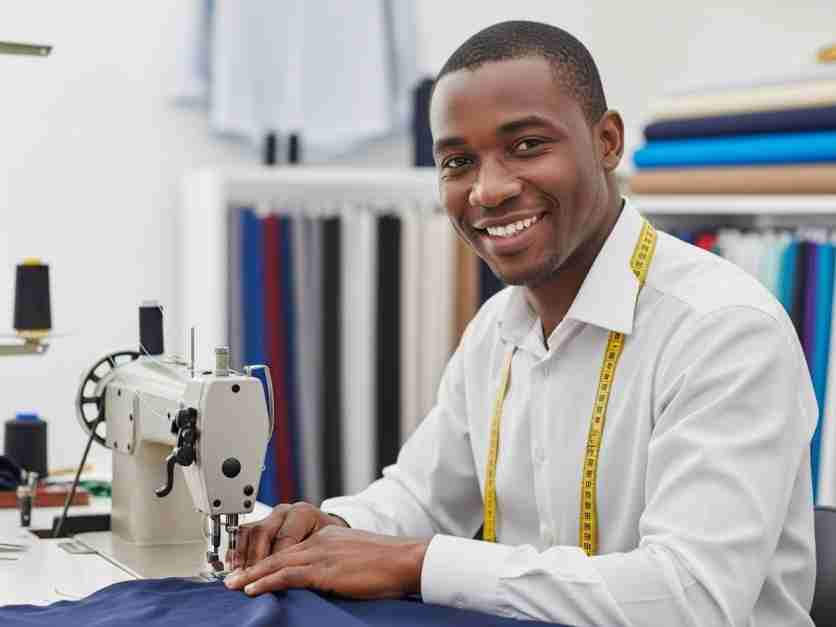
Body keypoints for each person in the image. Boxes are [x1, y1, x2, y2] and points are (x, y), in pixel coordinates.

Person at [224, 20, 817, 626]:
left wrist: (416, 563)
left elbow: (691, 598)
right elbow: (423, 495)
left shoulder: (723, 330)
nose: (489, 189)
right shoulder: (498, 329)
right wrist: (335, 526)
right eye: (458, 161)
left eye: (528, 145)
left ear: (607, 140)